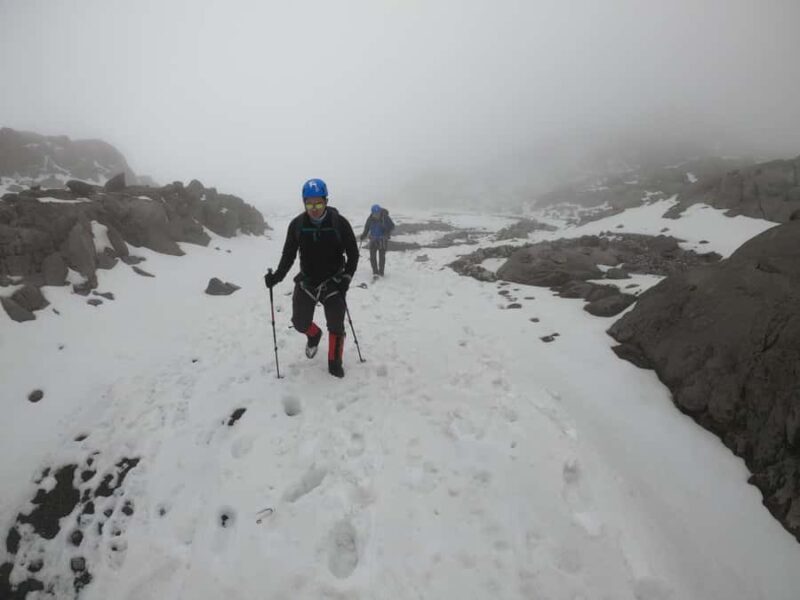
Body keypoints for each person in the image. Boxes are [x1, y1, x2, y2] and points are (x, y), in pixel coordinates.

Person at [263, 178, 359, 378]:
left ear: (325, 201)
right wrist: (277, 277)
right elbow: (288, 255)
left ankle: (335, 362)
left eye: (318, 203)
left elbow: (353, 254)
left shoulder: (339, 223)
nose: (314, 208)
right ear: (304, 202)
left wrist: (346, 279)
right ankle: (314, 335)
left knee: (336, 325)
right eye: (309, 203)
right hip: (307, 281)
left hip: (334, 282)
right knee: (299, 322)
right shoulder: (297, 225)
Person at [360, 203, 395, 277]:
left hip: (382, 240)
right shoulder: (370, 219)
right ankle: (375, 272)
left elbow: (392, 226)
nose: (376, 215)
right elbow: (367, 228)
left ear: (380, 212)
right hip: (373, 239)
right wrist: (363, 235)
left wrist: (385, 228)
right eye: (374, 214)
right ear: (372, 213)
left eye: (377, 213)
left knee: (381, 257)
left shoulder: (385, 217)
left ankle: (381, 272)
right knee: (372, 257)